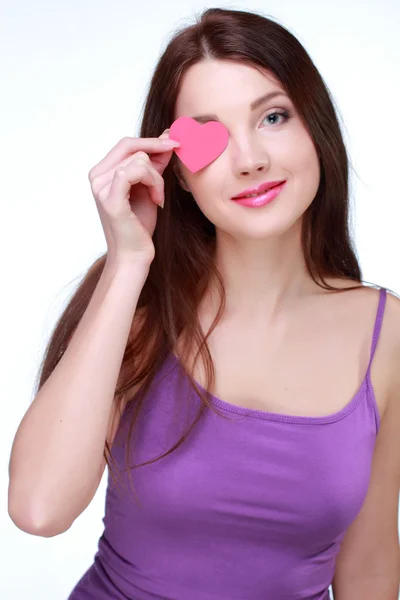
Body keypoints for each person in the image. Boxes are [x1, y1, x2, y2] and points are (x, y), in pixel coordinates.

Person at [8, 7, 400, 600]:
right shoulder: (137, 310)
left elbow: (369, 570)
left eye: (272, 116)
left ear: (314, 128)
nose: (249, 160)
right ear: (181, 175)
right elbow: (38, 510)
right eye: (209, 136)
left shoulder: (387, 333)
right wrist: (126, 263)